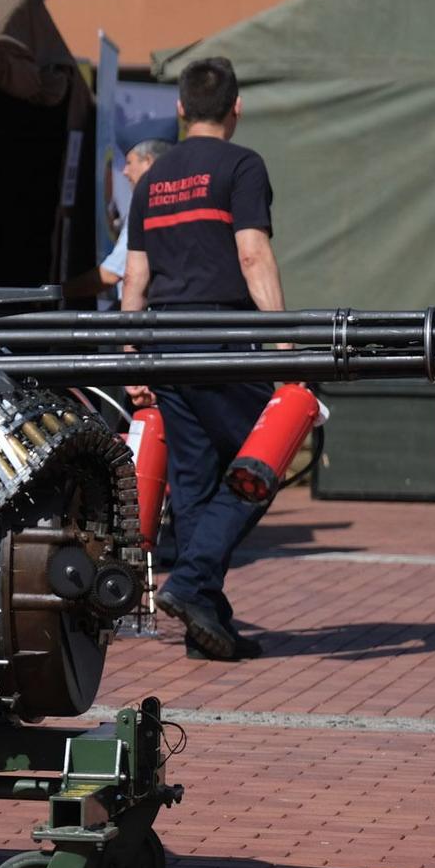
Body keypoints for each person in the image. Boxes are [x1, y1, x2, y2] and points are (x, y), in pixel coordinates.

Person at [121, 57, 281, 662]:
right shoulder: (243, 166)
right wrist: (286, 343)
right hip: (223, 341)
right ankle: (189, 584)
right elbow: (252, 256)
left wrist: (130, 357)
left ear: (181, 110)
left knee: (194, 481)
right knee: (259, 469)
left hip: (164, 344)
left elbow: (134, 279)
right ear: (236, 108)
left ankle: (204, 624)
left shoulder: (151, 179)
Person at [64, 138, 168, 302]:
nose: (125, 171)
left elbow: (111, 274)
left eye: (129, 162)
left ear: (148, 162)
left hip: (147, 314)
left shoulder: (149, 206)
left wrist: (57, 292)